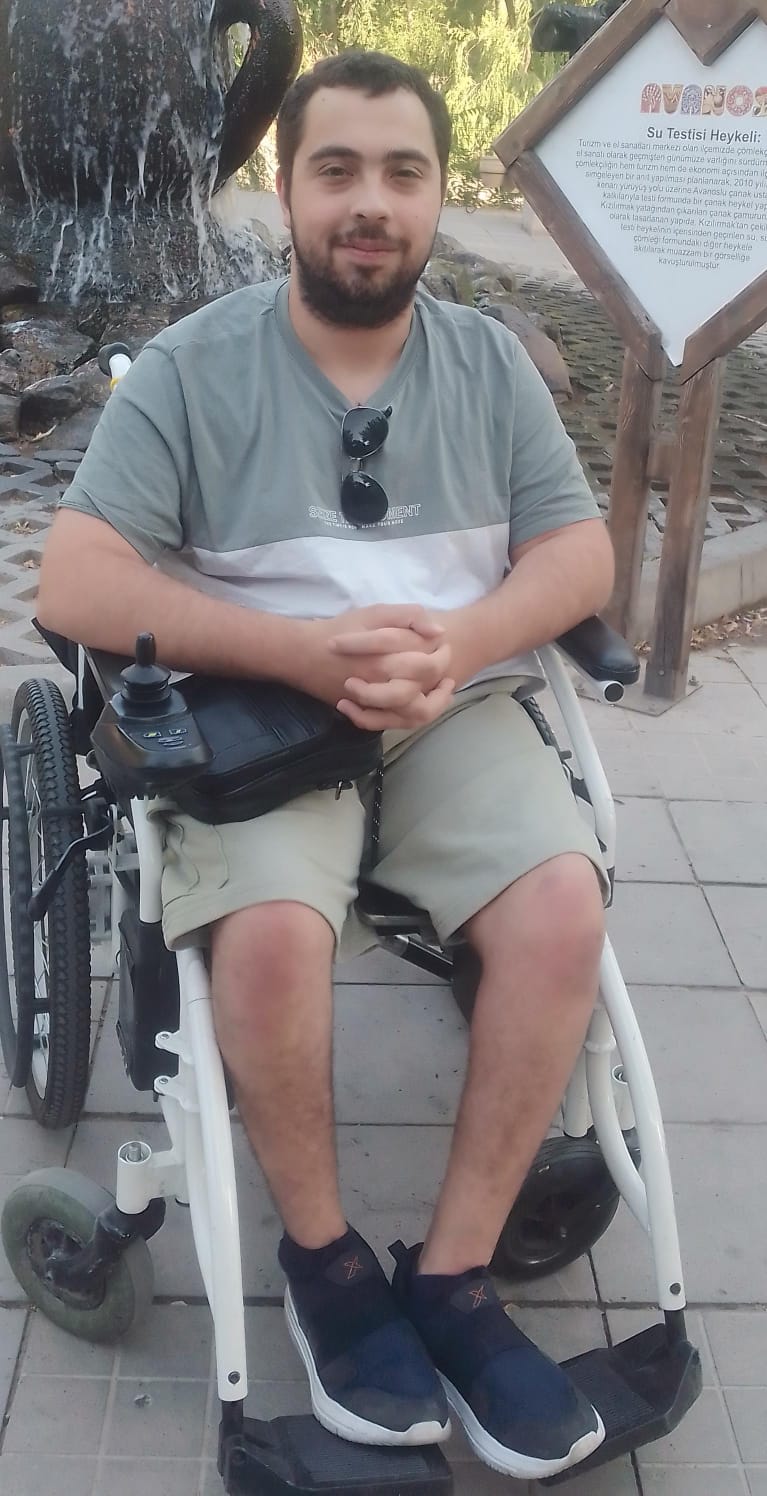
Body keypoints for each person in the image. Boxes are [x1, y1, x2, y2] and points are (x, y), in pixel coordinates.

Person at [36, 49, 616, 1481]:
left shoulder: (488, 365)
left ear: (436, 196)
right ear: (286, 188)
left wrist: (465, 637)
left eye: (403, 173)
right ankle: (327, 1262)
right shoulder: (196, 367)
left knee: (562, 910)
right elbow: (76, 579)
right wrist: (296, 653)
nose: (371, 203)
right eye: (338, 170)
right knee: (274, 941)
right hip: (262, 720)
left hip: (451, 708)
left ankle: (455, 1276)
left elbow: (580, 553)